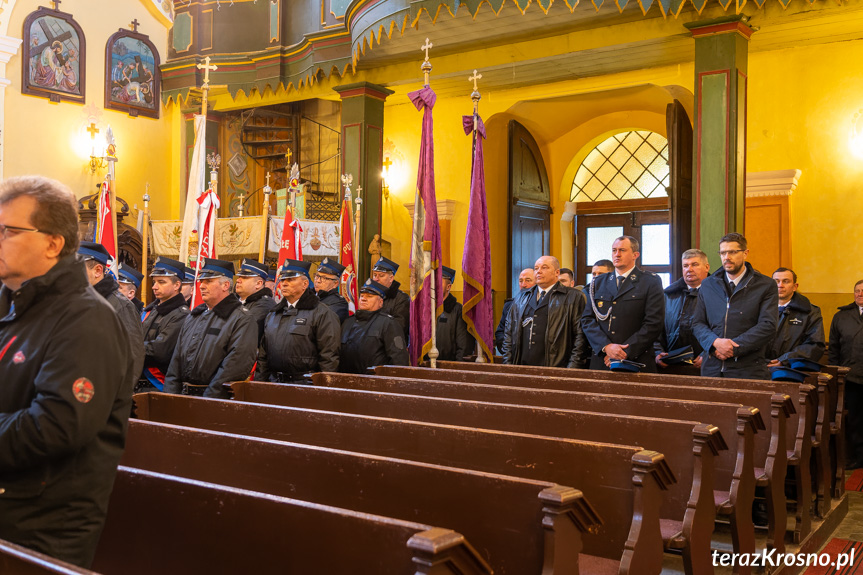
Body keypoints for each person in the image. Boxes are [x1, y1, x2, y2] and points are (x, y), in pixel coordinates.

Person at [0, 175, 134, 568]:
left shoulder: (86, 318)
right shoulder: (12, 305)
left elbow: (58, 425)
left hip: (42, 527)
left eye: (8, 230)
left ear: (52, 243)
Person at [163, 258, 258, 398]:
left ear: (226, 285)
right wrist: (171, 396)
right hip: (182, 397)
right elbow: (176, 360)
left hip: (213, 399)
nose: (201, 286)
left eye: (208, 282)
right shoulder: (194, 316)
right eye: (201, 281)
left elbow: (235, 365)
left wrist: (208, 400)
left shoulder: (241, 318)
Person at [691, 232, 778, 379]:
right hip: (712, 368)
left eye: (732, 252)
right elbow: (697, 323)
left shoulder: (765, 285)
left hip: (748, 368)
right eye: (723, 252)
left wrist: (733, 347)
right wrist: (714, 343)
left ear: (745, 253)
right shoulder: (708, 284)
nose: (727, 257)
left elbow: (768, 325)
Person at [581, 236, 664, 371]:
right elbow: (587, 320)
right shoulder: (598, 282)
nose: (617, 254)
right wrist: (607, 347)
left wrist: (623, 352)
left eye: (622, 250)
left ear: (635, 255)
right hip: (603, 360)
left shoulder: (650, 282)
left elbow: (654, 323)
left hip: (636, 359)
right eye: (614, 250)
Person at [255, 259, 340, 382]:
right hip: (274, 382)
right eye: (283, 280)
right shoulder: (274, 313)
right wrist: (259, 384)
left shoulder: (322, 313)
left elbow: (329, 357)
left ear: (305, 284)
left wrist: (322, 389)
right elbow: (263, 356)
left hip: (305, 384)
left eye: (290, 280)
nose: (284, 283)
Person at [78, 242, 144, 388]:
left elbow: (133, 358)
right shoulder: (79, 301)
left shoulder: (120, 306)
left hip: (104, 396)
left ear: (97, 270)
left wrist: (115, 399)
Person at [503, 255, 586, 368]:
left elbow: (580, 336)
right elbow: (508, 332)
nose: (539, 271)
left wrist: (572, 367)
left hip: (556, 366)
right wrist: (508, 364)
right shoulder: (521, 297)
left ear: (557, 272)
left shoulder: (573, 297)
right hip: (521, 365)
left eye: (544, 267)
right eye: (536, 268)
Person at [139, 257, 190, 393]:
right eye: (154, 282)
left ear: (176, 285)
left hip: (158, 384)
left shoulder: (181, 314)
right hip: (140, 382)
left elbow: (160, 351)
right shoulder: (153, 309)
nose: (154, 287)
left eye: (161, 282)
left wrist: (127, 347)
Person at [828, 280, 863, 469]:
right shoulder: (841, 317)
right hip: (852, 378)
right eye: (857, 291)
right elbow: (833, 349)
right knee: (855, 420)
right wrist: (835, 374)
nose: (860, 294)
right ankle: (859, 456)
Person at [339, 279, 409, 373]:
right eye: (362, 296)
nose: (363, 299)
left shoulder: (389, 323)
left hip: (376, 382)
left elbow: (399, 359)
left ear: (380, 303)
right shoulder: (348, 322)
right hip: (345, 381)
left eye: (369, 296)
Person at [656, 249, 710, 370]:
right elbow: (656, 328)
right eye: (685, 266)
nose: (689, 269)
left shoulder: (717, 294)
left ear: (707, 267)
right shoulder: (668, 295)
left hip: (704, 364)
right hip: (670, 364)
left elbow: (722, 330)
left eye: (694, 265)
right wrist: (657, 352)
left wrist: (708, 354)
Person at [767, 267, 825, 367]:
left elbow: (815, 345)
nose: (780, 285)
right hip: (761, 368)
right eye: (776, 281)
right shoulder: (761, 308)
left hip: (791, 369)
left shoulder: (810, 312)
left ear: (795, 286)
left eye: (786, 281)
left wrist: (784, 360)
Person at [434, 266, 471, 361]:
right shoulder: (427, 309)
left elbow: (463, 345)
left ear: (448, 287)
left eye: (439, 282)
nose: (435, 286)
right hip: (427, 365)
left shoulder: (457, 310)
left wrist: (457, 368)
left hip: (449, 365)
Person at [494, 268, 535, 353]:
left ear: (537, 283)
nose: (523, 284)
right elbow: (500, 332)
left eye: (528, 280)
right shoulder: (509, 305)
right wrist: (509, 350)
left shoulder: (542, 304)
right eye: (520, 281)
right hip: (512, 354)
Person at [234, 258, 275, 340]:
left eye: (244, 277)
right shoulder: (234, 302)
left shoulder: (264, 304)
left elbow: (244, 331)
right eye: (239, 277)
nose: (238, 280)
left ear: (258, 283)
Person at [372, 256, 410, 339]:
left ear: (391, 278)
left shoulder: (402, 299)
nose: (376, 279)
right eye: (374, 275)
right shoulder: (370, 295)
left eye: (381, 275)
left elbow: (399, 327)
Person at [314, 257, 349, 322]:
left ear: (335, 284)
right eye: (317, 276)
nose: (318, 280)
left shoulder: (339, 303)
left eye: (324, 278)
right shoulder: (309, 295)